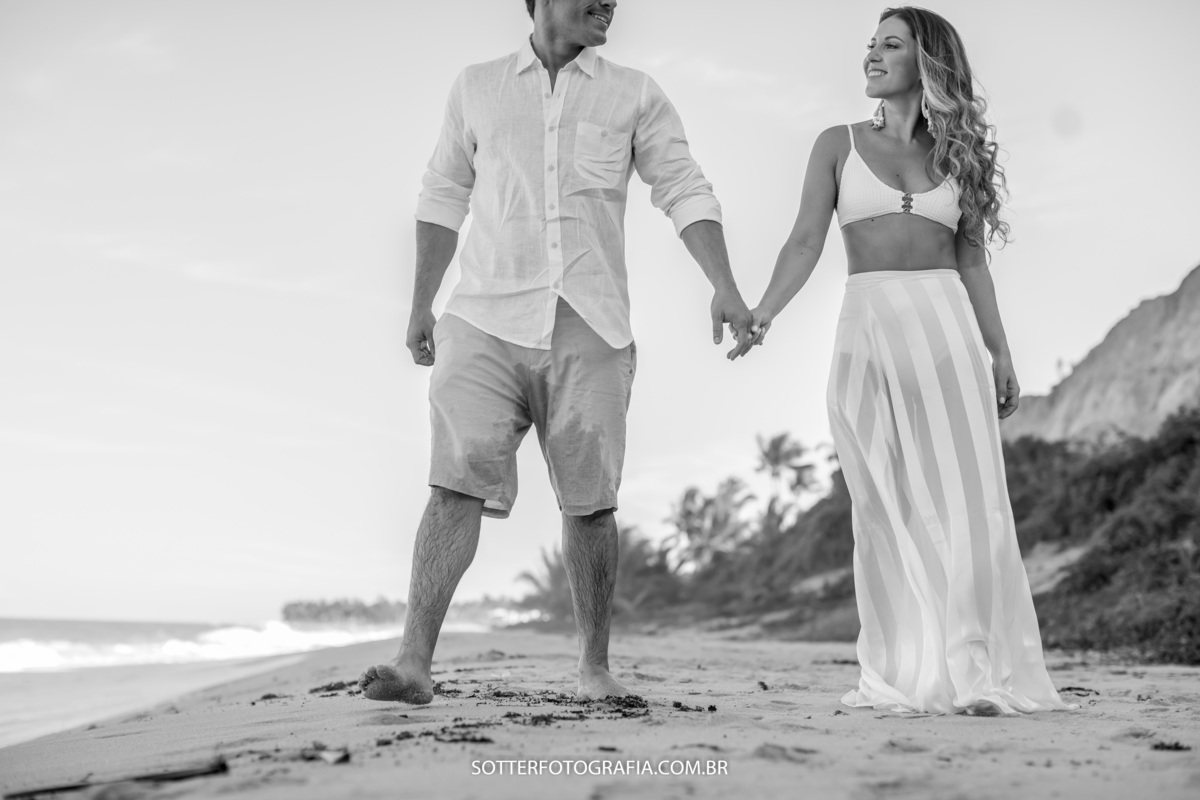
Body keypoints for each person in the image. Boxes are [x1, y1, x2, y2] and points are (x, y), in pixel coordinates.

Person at [359, 0, 753, 705]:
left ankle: (594, 668)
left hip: (591, 324)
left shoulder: (634, 92)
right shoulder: (477, 86)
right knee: (452, 485)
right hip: (482, 316)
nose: (611, 3)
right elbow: (443, 194)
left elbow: (683, 186)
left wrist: (723, 284)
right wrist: (421, 303)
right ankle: (413, 663)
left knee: (591, 504)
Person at [738, 6, 1070, 715]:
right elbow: (804, 243)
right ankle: (900, 669)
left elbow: (972, 260)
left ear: (927, 64)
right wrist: (764, 312)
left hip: (947, 329)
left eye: (890, 45)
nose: (872, 55)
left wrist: (1000, 350)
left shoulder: (960, 154)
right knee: (883, 508)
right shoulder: (837, 143)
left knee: (971, 504)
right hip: (868, 335)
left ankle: (975, 670)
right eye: (871, 44)